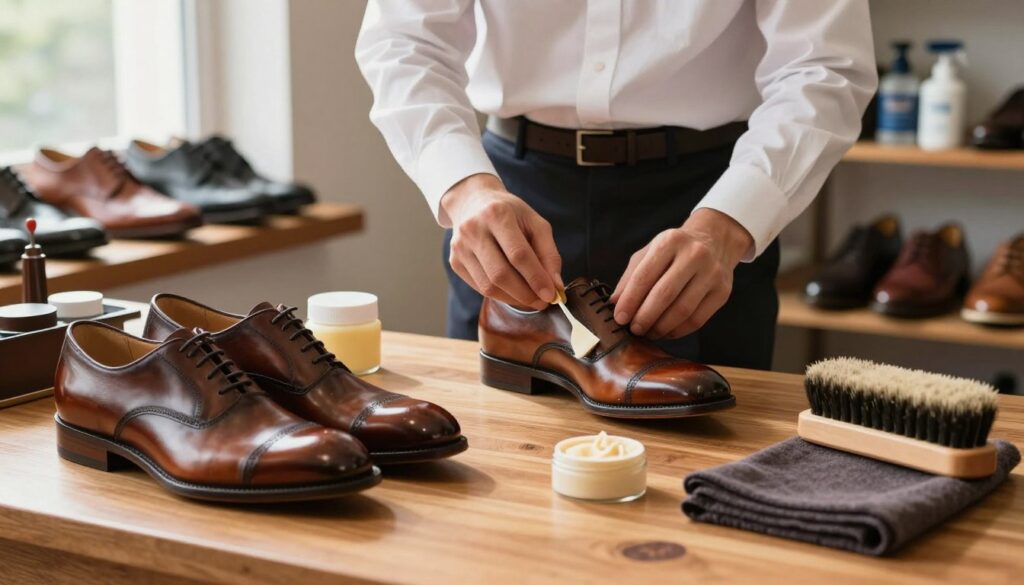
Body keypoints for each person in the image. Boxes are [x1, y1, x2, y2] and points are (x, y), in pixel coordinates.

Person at [356, 1, 876, 369]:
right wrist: (464, 188)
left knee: (713, 465)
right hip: (507, 198)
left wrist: (728, 225)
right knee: (491, 450)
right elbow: (404, 40)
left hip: (706, 207)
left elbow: (824, 67)